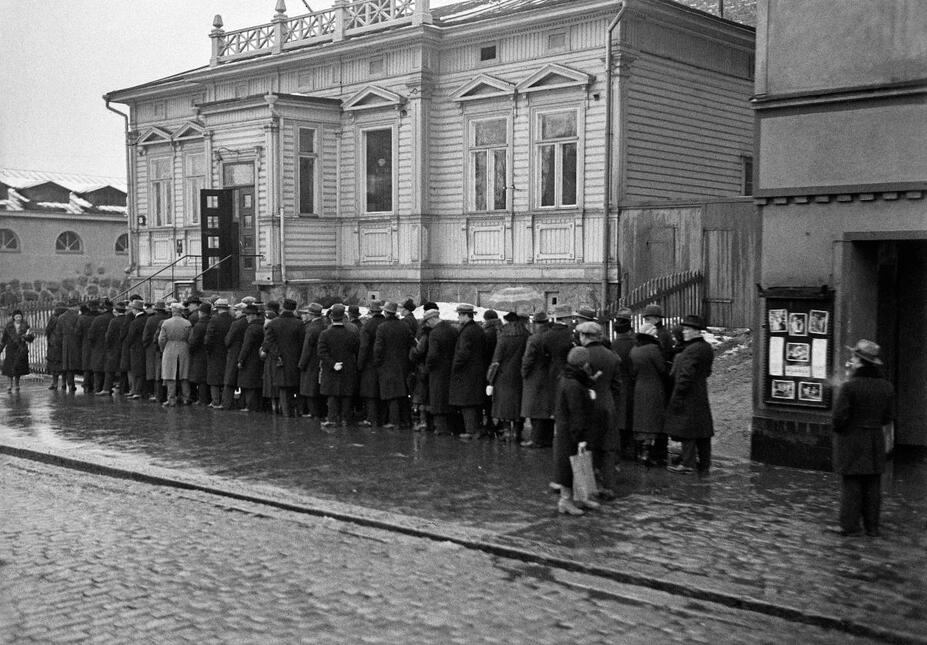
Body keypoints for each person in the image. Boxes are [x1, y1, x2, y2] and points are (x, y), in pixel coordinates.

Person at [831, 339, 894, 537]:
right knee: (873, 485)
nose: (851, 360)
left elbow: (838, 418)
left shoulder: (850, 387)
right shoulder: (886, 387)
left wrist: (842, 429)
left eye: (853, 358)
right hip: (875, 440)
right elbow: (888, 417)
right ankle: (872, 527)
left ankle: (849, 526)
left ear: (860, 361)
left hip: (852, 440)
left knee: (852, 484)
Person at [576, 321, 622, 498]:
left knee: (587, 445)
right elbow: (617, 386)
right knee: (608, 447)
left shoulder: (582, 355)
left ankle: (589, 486)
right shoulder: (612, 356)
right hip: (607, 405)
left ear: (584, 337)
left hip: (588, 406)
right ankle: (609, 486)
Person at [664, 315, 715, 474]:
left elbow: (685, 376)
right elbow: (707, 371)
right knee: (702, 430)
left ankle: (688, 464)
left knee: (688, 430)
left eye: (687, 329)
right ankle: (704, 463)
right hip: (700, 393)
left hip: (689, 395)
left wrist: (678, 397)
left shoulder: (691, 350)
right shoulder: (706, 348)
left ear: (696, 331)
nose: (684, 332)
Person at [552, 346, 598, 516]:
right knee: (570, 466)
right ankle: (566, 501)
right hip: (571, 432)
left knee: (575, 464)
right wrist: (581, 437)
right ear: (583, 363)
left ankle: (579, 498)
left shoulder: (567, 378)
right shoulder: (573, 384)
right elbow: (577, 412)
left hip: (566, 429)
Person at [629, 322, 670, 466]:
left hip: (639, 388)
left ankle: (641, 452)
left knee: (641, 421)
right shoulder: (653, 349)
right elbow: (662, 369)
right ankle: (650, 453)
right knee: (653, 422)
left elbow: (633, 371)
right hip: (654, 388)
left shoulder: (634, 350)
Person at [487, 311, 529, 442]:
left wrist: (490, 379)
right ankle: (517, 431)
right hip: (521, 376)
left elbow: (496, 360)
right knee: (519, 404)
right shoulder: (527, 335)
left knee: (503, 405)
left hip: (503, 377)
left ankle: (506, 432)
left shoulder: (503, 338)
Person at [450, 303, 488, 440]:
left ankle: (471, 430)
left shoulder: (466, 332)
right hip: (478, 371)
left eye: (459, 315)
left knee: (467, 403)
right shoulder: (478, 329)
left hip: (466, 372)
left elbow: (463, 353)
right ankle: (478, 429)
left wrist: (455, 367)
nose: (458, 318)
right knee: (475, 402)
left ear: (465, 315)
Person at [373, 301, 414, 428]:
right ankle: (406, 420)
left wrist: (377, 362)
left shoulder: (382, 327)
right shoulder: (404, 326)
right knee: (402, 393)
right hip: (403, 364)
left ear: (385, 313)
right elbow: (411, 342)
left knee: (391, 395)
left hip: (387, 365)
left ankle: (394, 422)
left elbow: (378, 349)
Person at [317, 304, 359, 427]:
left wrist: (333, 363)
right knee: (346, 395)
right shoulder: (351, 334)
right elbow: (356, 350)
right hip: (348, 368)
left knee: (332, 395)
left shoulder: (325, 334)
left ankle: (332, 419)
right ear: (343, 317)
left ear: (331, 317)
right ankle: (345, 419)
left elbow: (321, 352)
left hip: (331, 370)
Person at [263, 298, 304, 417]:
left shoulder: (273, 323)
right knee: (297, 389)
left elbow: (269, 342)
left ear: (283, 307)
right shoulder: (299, 323)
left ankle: (286, 415)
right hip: (296, 361)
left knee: (284, 391)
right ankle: (299, 412)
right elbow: (302, 343)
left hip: (280, 362)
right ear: (294, 308)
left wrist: (278, 355)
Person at [520, 311, 552, 447]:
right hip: (550, 377)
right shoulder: (552, 336)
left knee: (535, 409)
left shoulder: (534, 338)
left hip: (535, 378)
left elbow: (528, 360)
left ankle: (536, 439)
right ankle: (547, 438)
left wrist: (524, 373)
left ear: (535, 324)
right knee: (547, 409)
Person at [611, 307, 637, 459]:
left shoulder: (614, 345)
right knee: (631, 417)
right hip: (632, 385)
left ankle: (619, 448)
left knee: (619, 417)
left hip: (618, 385)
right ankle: (631, 449)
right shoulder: (635, 344)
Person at [357, 301, 386, 426]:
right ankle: (383, 418)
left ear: (371, 311)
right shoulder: (386, 323)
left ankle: (371, 418)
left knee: (370, 393)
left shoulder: (367, 326)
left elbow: (364, 347)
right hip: (385, 363)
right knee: (381, 392)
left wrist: (359, 364)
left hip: (370, 363)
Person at [158, 302, 192, 407]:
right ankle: (186, 398)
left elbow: (161, 339)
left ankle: (171, 399)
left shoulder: (166, 323)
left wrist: (163, 349)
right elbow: (191, 338)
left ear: (173, 311)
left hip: (169, 348)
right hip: (184, 348)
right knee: (184, 375)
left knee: (170, 375)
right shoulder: (187, 323)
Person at [298, 303, 327, 419]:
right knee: (319, 390)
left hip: (311, 363)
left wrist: (301, 364)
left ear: (311, 314)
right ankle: (321, 413)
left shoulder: (311, 329)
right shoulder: (324, 326)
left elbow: (307, 349)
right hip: (322, 362)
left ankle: (314, 413)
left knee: (309, 390)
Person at [236, 304, 265, 413]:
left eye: (248, 315)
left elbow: (246, 346)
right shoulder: (263, 326)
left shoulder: (251, 329)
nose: (246, 317)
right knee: (257, 385)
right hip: (260, 360)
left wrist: (241, 360)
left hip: (250, 361)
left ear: (254, 316)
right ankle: (258, 406)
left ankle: (250, 406)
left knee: (249, 385)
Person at [204, 299, 232, 408]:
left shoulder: (214, 320)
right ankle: (225, 401)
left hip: (215, 352)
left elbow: (208, 338)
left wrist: (208, 350)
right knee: (226, 377)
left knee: (214, 378)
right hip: (227, 351)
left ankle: (215, 401)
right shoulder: (232, 320)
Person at [1, 309, 35, 391]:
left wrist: (27, 337)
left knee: (18, 368)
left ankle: (17, 384)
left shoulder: (26, 326)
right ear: (13, 317)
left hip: (20, 349)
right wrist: (1, 348)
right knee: (9, 368)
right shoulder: (8, 326)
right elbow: (4, 339)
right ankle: (9, 384)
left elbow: (31, 337)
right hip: (11, 349)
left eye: (20, 316)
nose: (18, 318)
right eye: (16, 317)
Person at [187, 302, 212, 405]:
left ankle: (202, 400)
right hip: (208, 353)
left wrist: (190, 349)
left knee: (200, 379)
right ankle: (208, 398)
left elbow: (194, 341)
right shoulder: (211, 322)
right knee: (207, 378)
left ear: (201, 313)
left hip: (198, 354)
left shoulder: (199, 325)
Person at [45, 302, 66, 390]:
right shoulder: (65, 317)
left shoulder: (53, 318)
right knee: (63, 364)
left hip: (54, 344)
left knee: (54, 365)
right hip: (63, 343)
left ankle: (55, 383)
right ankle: (64, 383)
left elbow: (48, 330)